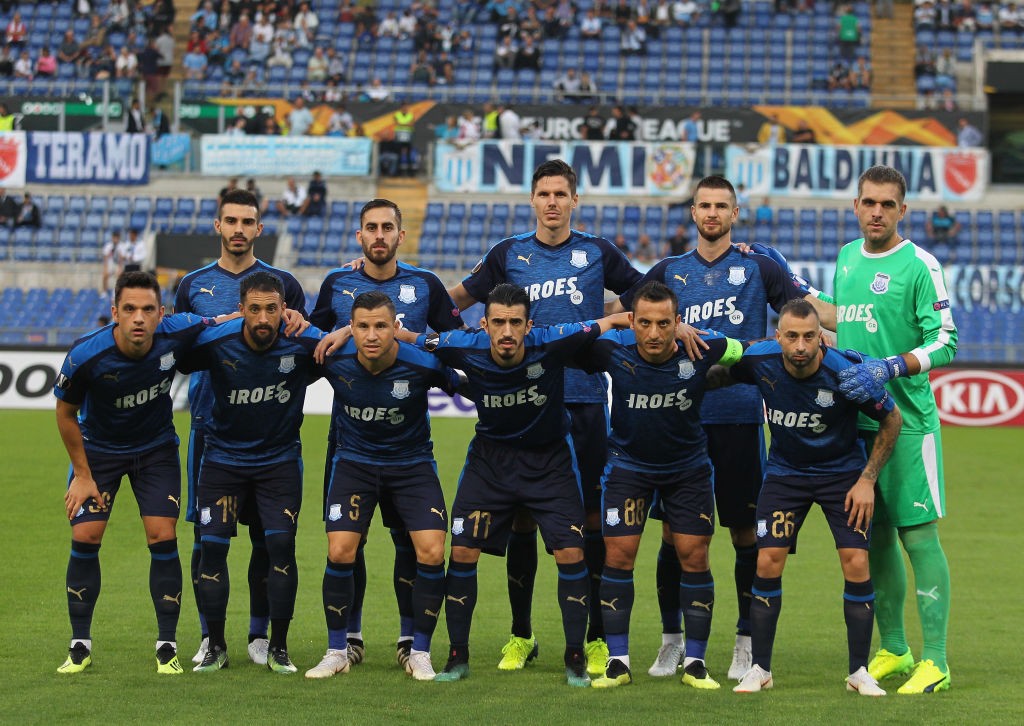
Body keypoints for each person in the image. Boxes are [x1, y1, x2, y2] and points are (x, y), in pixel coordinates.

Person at [613, 175, 822, 681]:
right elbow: (626, 317)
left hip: (740, 415)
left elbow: (806, 317)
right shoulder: (668, 271)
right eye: (704, 205)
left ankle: (745, 642)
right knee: (673, 536)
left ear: (735, 212)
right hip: (679, 422)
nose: (712, 213)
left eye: (721, 206)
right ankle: (671, 641)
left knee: (745, 532)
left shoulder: (758, 265)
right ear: (692, 211)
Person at [447, 160, 648, 677]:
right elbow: (457, 301)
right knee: (519, 520)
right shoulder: (507, 254)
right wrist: (400, 301)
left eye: (561, 193)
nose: (553, 202)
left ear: (575, 201)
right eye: (544, 193)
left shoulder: (598, 252)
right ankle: (521, 634)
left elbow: (644, 299)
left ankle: (598, 639)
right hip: (521, 405)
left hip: (582, 403)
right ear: (532, 200)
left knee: (587, 526)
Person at [406, 283, 629, 686]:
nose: (507, 332)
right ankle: (458, 657)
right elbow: (411, 337)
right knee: (463, 550)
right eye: (498, 323)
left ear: (529, 325)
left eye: (515, 323)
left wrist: (626, 319)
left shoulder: (552, 342)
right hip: (490, 463)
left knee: (570, 552)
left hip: (551, 463)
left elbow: (605, 322)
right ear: (484, 324)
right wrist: (348, 332)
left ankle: (575, 657)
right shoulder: (463, 345)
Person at [310, 199, 465, 670]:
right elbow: (311, 342)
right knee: (345, 544)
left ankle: (409, 643)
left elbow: (455, 341)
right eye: (371, 228)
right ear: (360, 236)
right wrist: (336, 331)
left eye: (388, 227)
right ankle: (347, 640)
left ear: (401, 234)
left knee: (411, 545)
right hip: (348, 439)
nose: (379, 235)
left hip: (409, 441)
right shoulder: (338, 283)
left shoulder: (425, 285)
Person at [719, 299, 901, 695]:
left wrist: (867, 480)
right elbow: (720, 364)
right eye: (792, 337)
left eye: (808, 337)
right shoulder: (759, 359)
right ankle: (760, 669)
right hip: (786, 475)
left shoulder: (846, 373)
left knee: (855, 562)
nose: (800, 346)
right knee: (767, 561)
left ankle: (858, 672)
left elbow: (892, 418)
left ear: (821, 336)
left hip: (842, 477)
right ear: (778, 337)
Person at [578, 282, 745, 690]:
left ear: (678, 323)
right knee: (618, 554)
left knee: (693, 554)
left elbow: (749, 352)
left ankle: (696, 663)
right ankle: (618, 661)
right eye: (645, 323)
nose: (654, 334)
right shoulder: (611, 350)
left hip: (687, 469)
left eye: (664, 324)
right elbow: (565, 341)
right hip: (628, 468)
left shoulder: (704, 349)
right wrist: (609, 320)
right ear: (632, 321)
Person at [830, 165, 958, 694]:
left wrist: (890, 366)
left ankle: (937, 661)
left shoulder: (920, 264)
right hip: (854, 426)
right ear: (856, 206)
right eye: (868, 202)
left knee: (917, 535)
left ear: (903, 209)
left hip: (908, 424)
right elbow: (845, 320)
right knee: (875, 537)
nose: (876, 212)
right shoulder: (844, 258)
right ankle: (895, 649)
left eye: (887, 204)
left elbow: (946, 340)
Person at [53, 271, 215, 675]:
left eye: (147, 309)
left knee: (162, 535)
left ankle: (166, 645)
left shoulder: (178, 332)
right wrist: (83, 475)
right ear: (115, 313)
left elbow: (228, 320)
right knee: (85, 534)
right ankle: (79, 644)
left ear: (162, 313)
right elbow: (65, 413)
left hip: (155, 451)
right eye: (129, 309)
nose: (139, 318)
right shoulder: (85, 355)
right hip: (99, 454)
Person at [173, 189, 307, 669]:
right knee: (206, 538)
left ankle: (257, 634)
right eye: (230, 220)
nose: (237, 229)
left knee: (265, 539)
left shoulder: (283, 283)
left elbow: (301, 340)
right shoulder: (193, 283)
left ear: (259, 229)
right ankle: (210, 638)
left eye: (247, 221)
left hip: (269, 430)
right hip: (210, 426)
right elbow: (182, 344)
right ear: (217, 225)